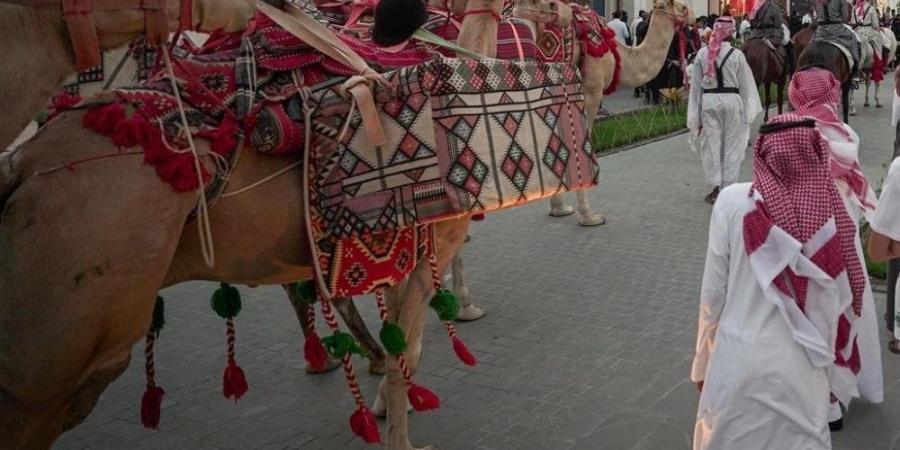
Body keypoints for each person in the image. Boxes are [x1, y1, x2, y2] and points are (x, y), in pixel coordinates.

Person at [692, 78, 868, 450]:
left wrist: (702, 363)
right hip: (804, 371)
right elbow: (848, 295)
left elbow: (713, 296)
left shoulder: (730, 202)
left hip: (737, 363)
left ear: (762, 154)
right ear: (819, 155)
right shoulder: (833, 213)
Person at [787, 67, 883, 429]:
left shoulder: (786, 129)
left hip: (802, 236)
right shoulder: (846, 133)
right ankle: (836, 396)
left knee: (810, 310)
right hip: (841, 236)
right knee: (844, 305)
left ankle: (813, 397)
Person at [687, 17, 762, 204]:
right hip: (732, 102)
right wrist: (748, 109)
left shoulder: (702, 54)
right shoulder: (737, 55)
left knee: (711, 145)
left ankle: (715, 189)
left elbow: (696, 87)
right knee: (732, 146)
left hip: (710, 102)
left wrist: (695, 114)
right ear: (732, 32)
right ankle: (729, 189)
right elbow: (746, 85)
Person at [812, 0, 861, 71]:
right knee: (853, 38)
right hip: (836, 29)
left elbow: (816, 15)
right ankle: (856, 67)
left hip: (821, 31)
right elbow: (844, 16)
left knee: (810, 43)